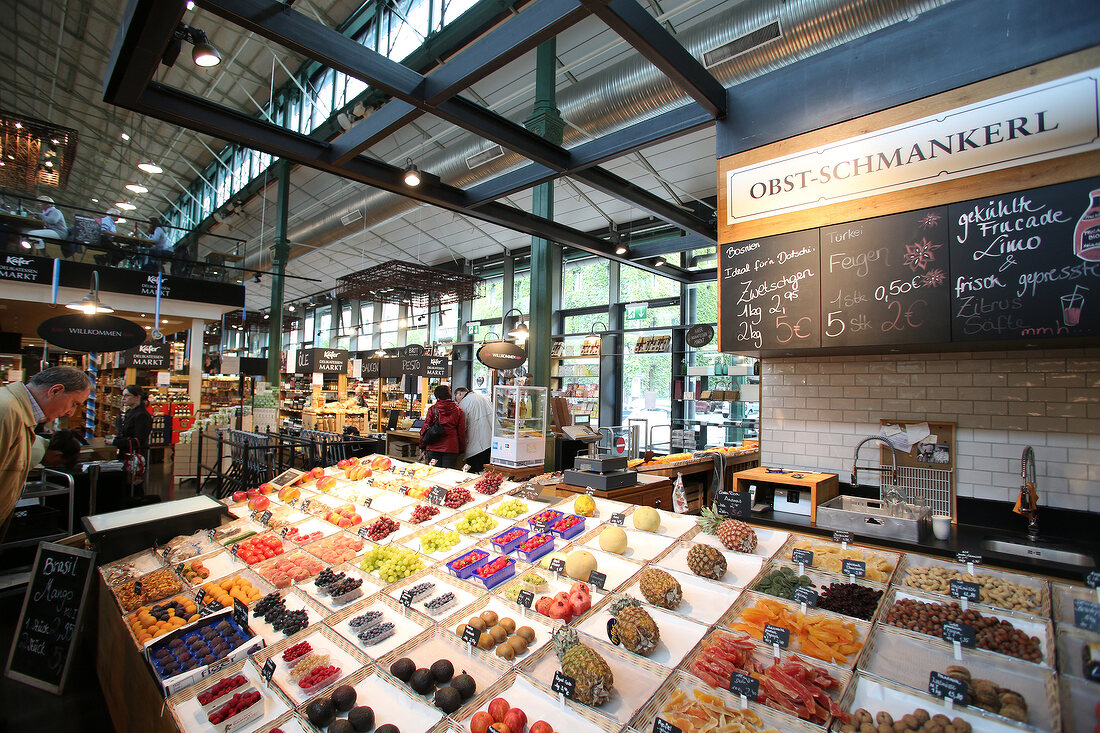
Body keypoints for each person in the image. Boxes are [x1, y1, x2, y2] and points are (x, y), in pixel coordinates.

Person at [0, 366, 91, 537]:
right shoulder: (7, 411)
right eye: (74, 403)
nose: (71, 413)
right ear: (55, 391)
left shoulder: (18, 413)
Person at [113, 385, 152, 491]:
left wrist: (115, 441)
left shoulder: (142, 415)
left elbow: (139, 440)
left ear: (137, 397)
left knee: (134, 487)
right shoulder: (131, 412)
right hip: (128, 455)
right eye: (123, 396)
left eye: (127, 396)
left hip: (136, 457)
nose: (123, 399)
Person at [419, 384, 465, 468]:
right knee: (447, 474)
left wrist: (422, 445)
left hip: (433, 446)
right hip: (451, 447)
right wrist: (461, 448)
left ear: (437, 396)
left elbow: (425, 428)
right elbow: (461, 432)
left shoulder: (432, 409)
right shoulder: (459, 410)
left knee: (434, 473)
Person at [453, 386, 492, 471]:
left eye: (456, 399)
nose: (457, 402)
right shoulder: (484, 398)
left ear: (459, 393)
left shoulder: (464, 403)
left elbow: (463, 425)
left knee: (474, 471)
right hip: (490, 442)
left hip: (475, 445)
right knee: (485, 471)